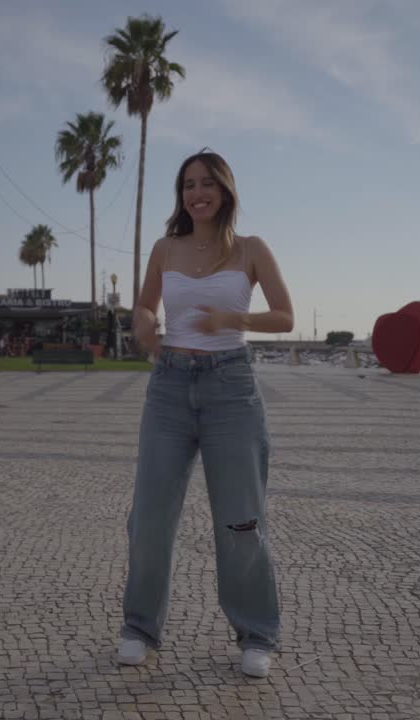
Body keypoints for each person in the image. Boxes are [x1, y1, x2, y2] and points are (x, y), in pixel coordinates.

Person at [117, 150, 294, 678]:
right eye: (189, 185)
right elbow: (146, 307)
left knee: (241, 520)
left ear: (225, 191)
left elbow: (284, 315)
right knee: (149, 517)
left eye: (207, 184)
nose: (198, 193)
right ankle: (139, 628)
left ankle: (257, 632)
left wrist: (230, 317)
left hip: (231, 389)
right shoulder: (164, 248)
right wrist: (144, 323)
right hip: (169, 386)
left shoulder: (251, 249)